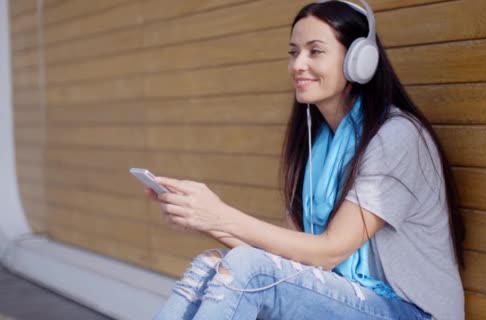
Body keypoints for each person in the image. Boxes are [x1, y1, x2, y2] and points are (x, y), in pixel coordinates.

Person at [149, 1, 465, 319]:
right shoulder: (317, 145)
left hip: (406, 310)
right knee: (212, 263)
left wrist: (220, 215)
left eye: (315, 51)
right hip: (343, 298)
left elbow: (330, 252)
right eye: (293, 52)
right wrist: (202, 218)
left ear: (360, 60)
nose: (298, 64)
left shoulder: (397, 136)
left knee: (248, 268)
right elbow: (293, 257)